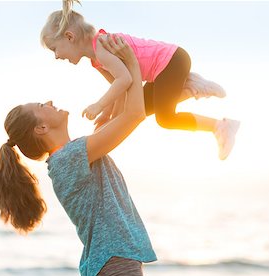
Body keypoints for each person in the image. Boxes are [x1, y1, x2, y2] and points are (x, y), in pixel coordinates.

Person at [0, 35, 156, 276]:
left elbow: (127, 105)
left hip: (113, 261)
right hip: (113, 262)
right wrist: (132, 65)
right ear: (41, 128)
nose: (48, 101)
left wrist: (114, 65)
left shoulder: (75, 154)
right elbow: (135, 114)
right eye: (41, 106)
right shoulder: (69, 158)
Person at [40, 0, 240, 160]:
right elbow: (120, 88)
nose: (56, 56)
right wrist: (109, 116)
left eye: (54, 49)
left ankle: (219, 125)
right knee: (139, 108)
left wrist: (99, 105)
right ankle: (190, 85)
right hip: (167, 67)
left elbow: (125, 79)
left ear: (69, 37)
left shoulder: (101, 46)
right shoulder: (96, 58)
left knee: (166, 118)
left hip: (172, 62)